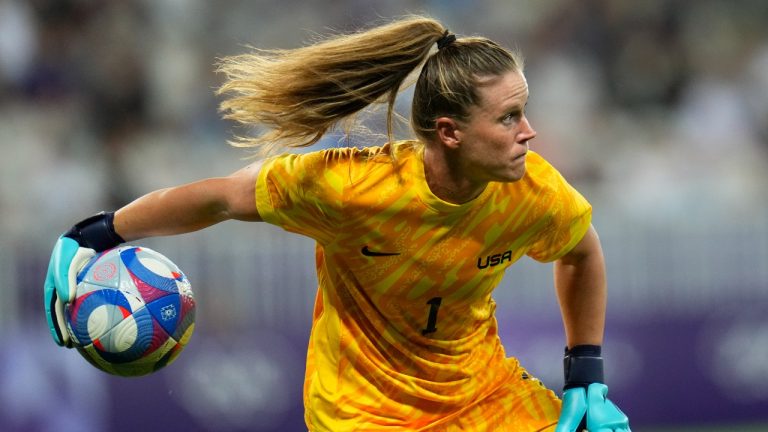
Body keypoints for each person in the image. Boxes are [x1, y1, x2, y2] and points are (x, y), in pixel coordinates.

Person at [44, 15, 630, 432]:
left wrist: (586, 373)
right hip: (359, 412)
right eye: (509, 117)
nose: (529, 132)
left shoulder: (533, 191)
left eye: (523, 112)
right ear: (450, 132)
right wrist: (96, 234)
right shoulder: (353, 189)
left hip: (479, 395)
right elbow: (220, 198)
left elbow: (582, 254)